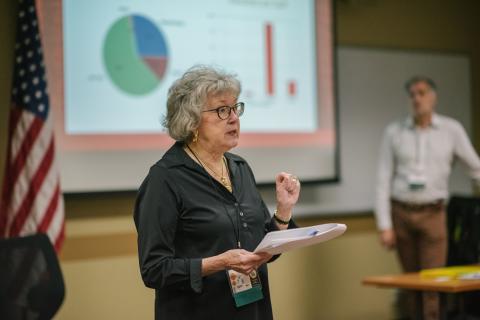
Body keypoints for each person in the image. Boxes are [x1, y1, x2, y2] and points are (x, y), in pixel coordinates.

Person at [133, 65, 301, 320]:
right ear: (191, 121)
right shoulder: (165, 179)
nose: (234, 118)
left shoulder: (239, 168)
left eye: (236, 108)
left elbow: (261, 251)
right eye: (222, 110)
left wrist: (284, 211)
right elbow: (155, 270)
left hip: (252, 310)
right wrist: (220, 262)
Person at [375, 75, 480, 320]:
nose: (416, 99)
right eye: (412, 94)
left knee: (433, 283)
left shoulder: (451, 130)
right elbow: (382, 179)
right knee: (411, 284)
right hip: (401, 213)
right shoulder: (395, 132)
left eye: (422, 93)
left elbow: (475, 167)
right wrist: (384, 225)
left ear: (433, 97)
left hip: (433, 213)